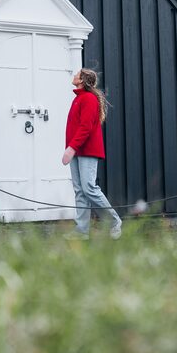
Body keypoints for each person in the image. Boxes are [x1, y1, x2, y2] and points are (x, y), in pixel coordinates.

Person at [62, 68, 123, 239]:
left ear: (82, 80)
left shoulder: (88, 99)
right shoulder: (78, 99)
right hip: (75, 149)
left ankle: (115, 222)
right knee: (79, 190)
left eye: (77, 75)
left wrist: (71, 147)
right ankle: (82, 231)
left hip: (86, 149)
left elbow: (86, 127)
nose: (74, 76)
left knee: (89, 188)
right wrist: (71, 148)